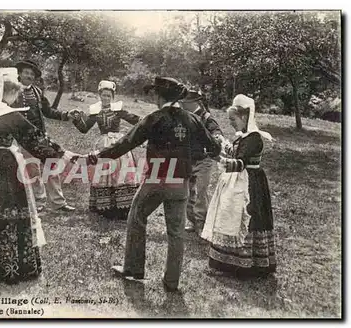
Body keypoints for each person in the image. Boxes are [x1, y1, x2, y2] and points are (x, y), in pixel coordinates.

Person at [82, 77, 221, 292]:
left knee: (137, 217)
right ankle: (171, 282)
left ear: (158, 96)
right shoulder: (192, 119)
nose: (153, 97)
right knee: (176, 232)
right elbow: (213, 146)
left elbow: (126, 143)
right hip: (181, 182)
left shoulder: (154, 118)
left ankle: (133, 270)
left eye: (154, 94)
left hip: (157, 179)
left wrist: (98, 155)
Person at [0, 68, 76, 283]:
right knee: (7, 209)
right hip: (4, 164)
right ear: (10, 94)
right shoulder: (12, 115)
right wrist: (61, 154)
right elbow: (35, 139)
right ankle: (8, 260)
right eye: (15, 94)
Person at [201, 94, 276, 278]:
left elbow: (240, 163)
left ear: (244, 117)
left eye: (233, 120)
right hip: (240, 180)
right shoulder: (245, 137)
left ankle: (246, 264)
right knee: (229, 216)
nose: (232, 123)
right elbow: (236, 152)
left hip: (249, 183)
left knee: (244, 217)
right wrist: (221, 146)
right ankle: (228, 261)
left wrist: (218, 158)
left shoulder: (254, 138)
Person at [70, 80, 141, 220]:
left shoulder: (118, 109)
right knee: (104, 172)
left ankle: (124, 207)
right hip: (103, 143)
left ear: (112, 97)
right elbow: (84, 129)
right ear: (99, 95)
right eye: (103, 95)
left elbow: (134, 120)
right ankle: (105, 207)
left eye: (109, 96)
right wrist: (76, 119)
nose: (106, 98)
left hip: (118, 143)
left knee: (121, 171)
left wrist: (149, 122)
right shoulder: (95, 111)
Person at [11, 60, 75, 213]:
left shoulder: (38, 92)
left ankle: (58, 202)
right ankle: (39, 201)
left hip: (40, 137)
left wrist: (66, 115)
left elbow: (48, 111)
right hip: (23, 139)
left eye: (32, 74)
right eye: (26, 72)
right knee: (33, 170)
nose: (29, 76)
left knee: (52, 165)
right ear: (19, 74)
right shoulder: (11, 90)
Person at [179, 90, 224, 235]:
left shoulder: (206, 118)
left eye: (185, 103)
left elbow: (216, 132)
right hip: (188, 159)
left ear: (195, 103)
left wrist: (216, 138)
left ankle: (201, 224)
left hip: (203, 160)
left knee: (201, 192)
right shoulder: (184, 116)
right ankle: (192, 221)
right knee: (187, 192)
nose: (182, 105)